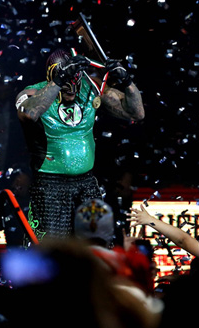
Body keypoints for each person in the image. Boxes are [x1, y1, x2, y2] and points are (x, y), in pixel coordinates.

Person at [15, 49, 144, 241]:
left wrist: (127, 82)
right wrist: (60, 80)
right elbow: (28, 114)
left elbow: (137, 113)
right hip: (50, 186)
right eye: (66, 86)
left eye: (74, 84)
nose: (71, 91)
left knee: (96, 245)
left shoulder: (90, 87)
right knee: (50, 249)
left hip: (87, 184)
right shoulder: (33, 92)